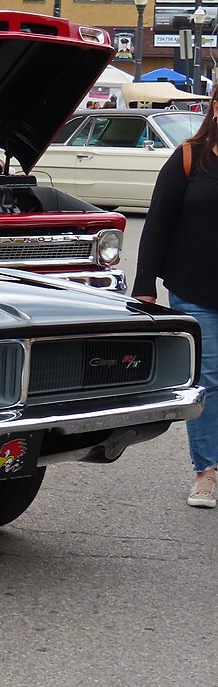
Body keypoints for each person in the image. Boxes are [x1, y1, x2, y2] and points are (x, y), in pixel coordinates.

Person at [133, 89, 218, 508]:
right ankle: (207, 472)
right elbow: (158, 223)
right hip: (196, 292)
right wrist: (144, 285)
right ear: (216, 106)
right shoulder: (189, 157)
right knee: (211, 381)